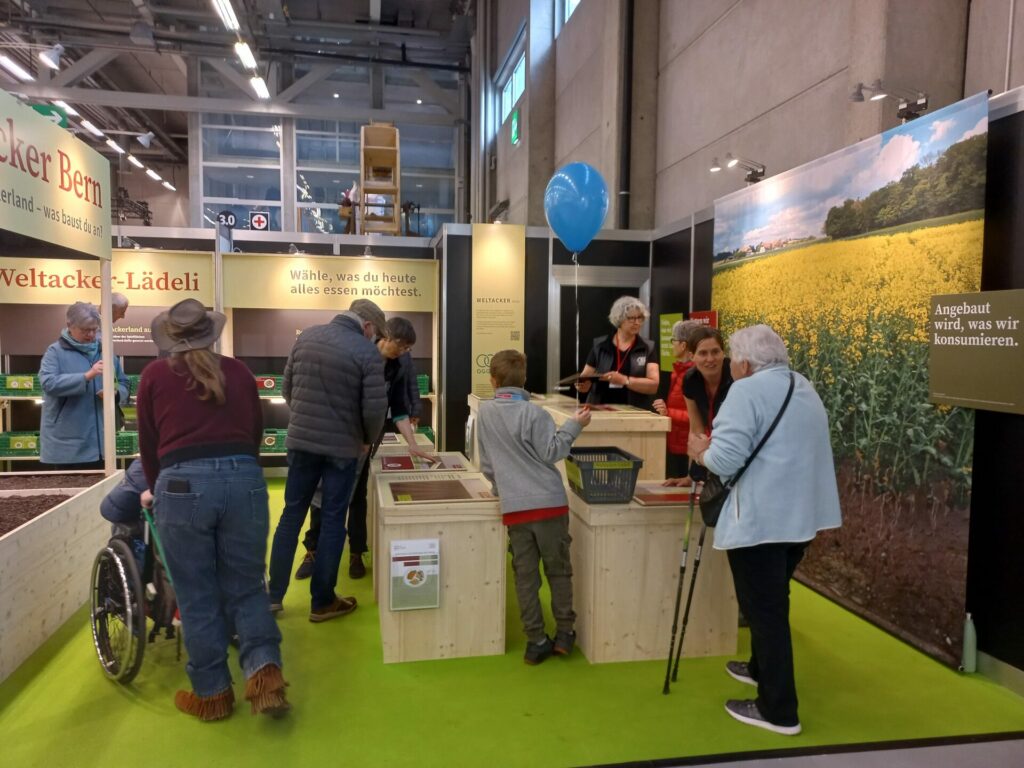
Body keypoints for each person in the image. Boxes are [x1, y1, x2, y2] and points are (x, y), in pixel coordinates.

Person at [136, 298, 288, 721]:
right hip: (245, 480)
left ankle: (213, 694)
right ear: (210, 332)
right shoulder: (238, 371)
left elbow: (148, 446)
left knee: (197, 593)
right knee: (247, 586)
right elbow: (255, 435)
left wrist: (157, 488)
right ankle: (265, 679)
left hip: (182, 486)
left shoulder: (153, 375)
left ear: (171, 337)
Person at [688, 324, 841, 736]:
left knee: (765, 609)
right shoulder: (802, 385)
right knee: (773, 598)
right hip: (801, 518)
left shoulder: (746, 391)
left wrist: (700, 450)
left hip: (761, 521)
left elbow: (724, 459)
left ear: (743, 362)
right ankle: (757, 668)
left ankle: (779, 710)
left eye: (731, 357)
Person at [267, 298, 388, 622]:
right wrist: (365, 439)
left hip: (301, 444)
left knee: (291, 515)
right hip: (342, 449)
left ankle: (273, 596)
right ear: (368, 326)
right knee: (335, 520)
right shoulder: (365, 353)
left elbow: (287, 388)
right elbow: (375, 410)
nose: (375, 341)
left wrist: (305, 421)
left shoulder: (305, 337)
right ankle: (322, 602)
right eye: (376, 335)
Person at [293, 316, 433, 581]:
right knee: (322, 494)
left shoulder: (399, 365)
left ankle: (357, 552)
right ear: (386, 337)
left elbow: (399, 408)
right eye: (401, 346)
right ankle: (312, 550)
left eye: (407, 350)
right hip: (340, 434)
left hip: (369, 437)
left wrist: (412, 444)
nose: (403, 353)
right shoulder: (357, 352)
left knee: (357, 493)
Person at [477, 350, 592, 664]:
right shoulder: (535, 414)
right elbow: (552, 452)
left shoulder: (485, 413)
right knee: (559, 572)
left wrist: (503, 491)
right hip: (550, 506)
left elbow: (487, 464)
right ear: (524, 379)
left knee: (525, 576)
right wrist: (574, 426)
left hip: (515, 510)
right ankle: (565, 635)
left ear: (493, 380)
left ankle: (536, 640)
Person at [39, 302, 129, 470]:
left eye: (94, 329)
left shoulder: (105, 351)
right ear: (69, 326)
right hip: (66, 448)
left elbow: (123, 383)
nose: (91, 334)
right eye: (85, 330)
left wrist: (115, 394)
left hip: (103, 445)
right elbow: (48, 384)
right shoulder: (55, 352)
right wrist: (87, 376)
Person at [574, 296, 660, 409]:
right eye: (631, 318)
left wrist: (625, 380)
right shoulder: (600, 345)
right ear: (619, 319)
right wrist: (583, 386)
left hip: (635, 412)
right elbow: (586, 376)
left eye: (640, 318)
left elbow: (653, 385)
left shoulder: (648, 347)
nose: (637, 322)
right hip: (600, 410)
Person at [653, 319, 702, 479]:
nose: (672, 344)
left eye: (673, 340)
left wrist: (667, 412)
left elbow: (697, 418)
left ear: (683, 345)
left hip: (687, 449)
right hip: (677, 443)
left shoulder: (694, 376)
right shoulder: (679, 372)